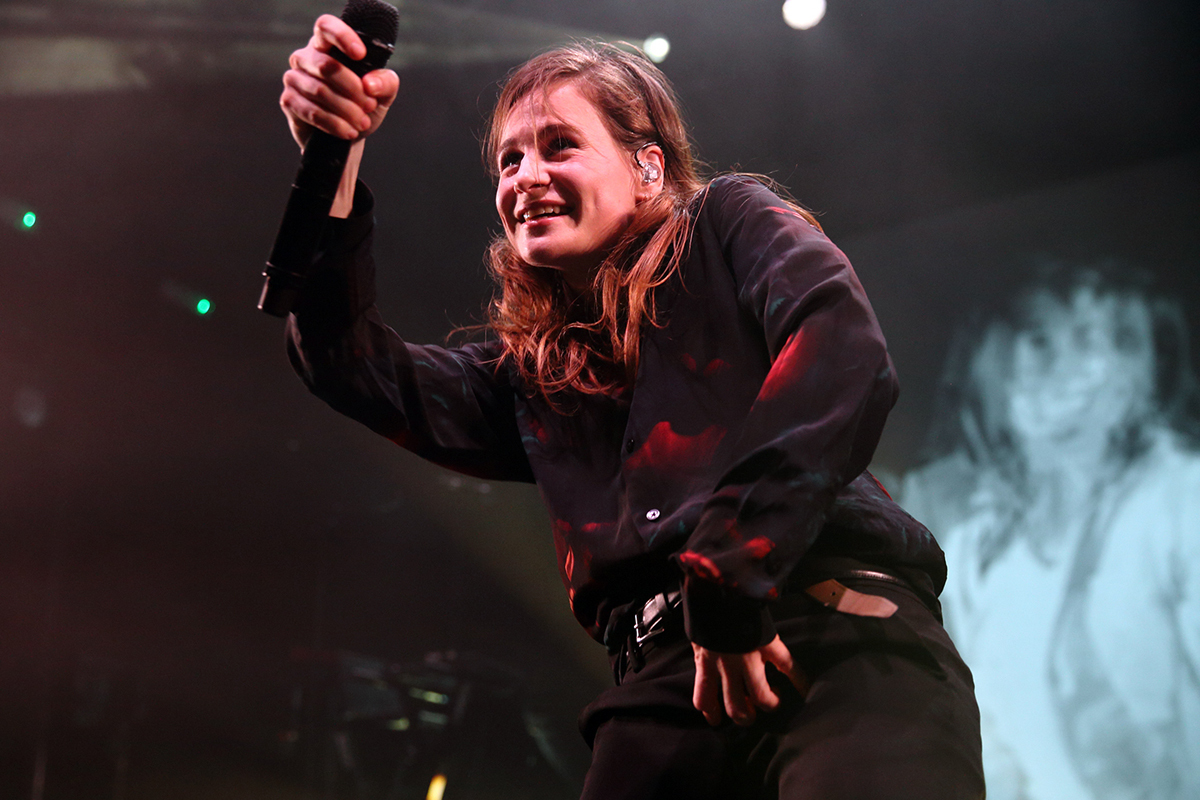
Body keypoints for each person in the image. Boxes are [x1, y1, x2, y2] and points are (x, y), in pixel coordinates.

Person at [278, 14, 984, 799]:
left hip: (838, 631)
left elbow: (842, 352)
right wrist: (331, 157)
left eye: (559, 145)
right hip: (664, 687)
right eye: (509, 160)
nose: (523, 177)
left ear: (649, 168)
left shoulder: (728, 223)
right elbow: (347, 363)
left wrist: (728, 565)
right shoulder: (532, 380)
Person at [901, 266, 1200, 800]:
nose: (1054, 367)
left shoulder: (1179, 501)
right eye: (1038, 338)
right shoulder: (977, 551)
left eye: (1095, 338)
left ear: (1142, 364)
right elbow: (996, 748)